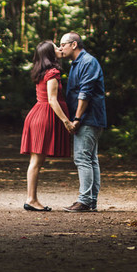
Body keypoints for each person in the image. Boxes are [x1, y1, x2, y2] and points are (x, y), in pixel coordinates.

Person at [20, 40, 74, 212]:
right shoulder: (52, 73)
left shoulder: (42, 71)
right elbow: (52, 100)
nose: (59, 49)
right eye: (56, 47)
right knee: (36, 161)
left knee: (35, 161)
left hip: (37, 115)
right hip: (43, 117)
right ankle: (31, 199)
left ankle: (32, 198)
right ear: (50, 54)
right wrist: (66, 121)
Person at [57, 32, 106, 212]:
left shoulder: (87, 62)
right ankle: (90, 201)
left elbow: (85, 93)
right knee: (90, 159)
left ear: (74, 44)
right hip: (88, 117)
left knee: (82, 158)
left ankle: (84, 200)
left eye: (63, 44)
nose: (60, 48)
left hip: (89, 117)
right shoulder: (76, 63)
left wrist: (77, 118)